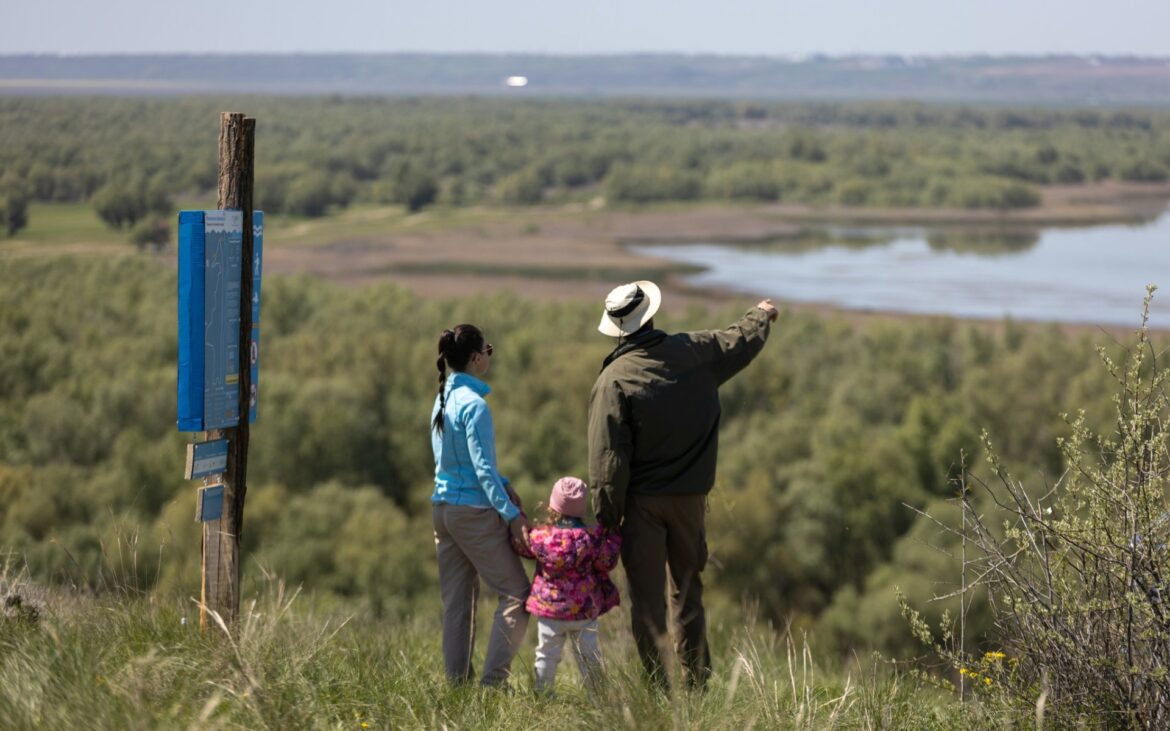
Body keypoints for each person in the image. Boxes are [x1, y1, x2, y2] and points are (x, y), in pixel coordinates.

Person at [587, 281, 777, 689]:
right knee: (687, 593)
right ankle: (696, 682)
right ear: (651, 315)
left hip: (641, 506)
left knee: (648, 602)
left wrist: (607, 519)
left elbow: (608, 462)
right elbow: (737, 340)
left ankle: (658, 686)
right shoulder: (695, 352)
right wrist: (760, 313)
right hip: (691, 500)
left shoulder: (613, 381)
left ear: (618, 328)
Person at [430, 324, 532, 687]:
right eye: (488, 349)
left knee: (458, 605)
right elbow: (484, 471)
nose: (490, 354)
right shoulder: (476, 406)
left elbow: (458, 465)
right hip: (472, 514)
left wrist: (504, 484)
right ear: (476, 359)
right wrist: (512, 516)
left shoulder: (442, 400)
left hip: (442, 512)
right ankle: (493, 684)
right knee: (519, 594)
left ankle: (457, 688)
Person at [516, 476, 621, 695]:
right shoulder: (590, 539)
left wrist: (519, 517)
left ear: (553, 506)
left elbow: (522, 546)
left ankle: (542, 696)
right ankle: (599, 701)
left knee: (546, 654)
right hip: (583, 612)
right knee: (589, 657)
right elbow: (606, 562)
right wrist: (612, 536)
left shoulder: (541, 538)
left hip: (550, 612)